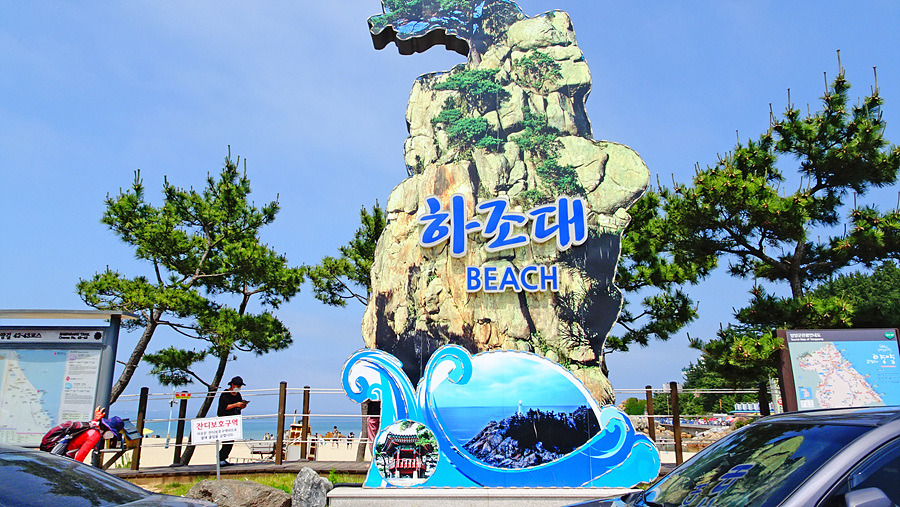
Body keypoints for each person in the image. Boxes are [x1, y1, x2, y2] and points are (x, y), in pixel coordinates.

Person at [40, 406, 125, 463]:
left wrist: (96, 418)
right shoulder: (95, 435)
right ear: (109, 429)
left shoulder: (93, 425)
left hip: (59, 448)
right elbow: (80, 456)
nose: (111, 436)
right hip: (65, 455)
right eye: (112, 434)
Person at [217, 376, 248, 466]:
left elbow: (238, 406)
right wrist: (235, 405)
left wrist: (242, 406)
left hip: (234, 419)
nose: (238, 388)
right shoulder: (225, 394)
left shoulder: (238, 395)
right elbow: (223, 407)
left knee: (231, 441)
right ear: (232, 384)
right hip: (225, 419)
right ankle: (220, 458)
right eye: (237, 386)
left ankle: (223, 458)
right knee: (226, 440)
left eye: (240, 386)